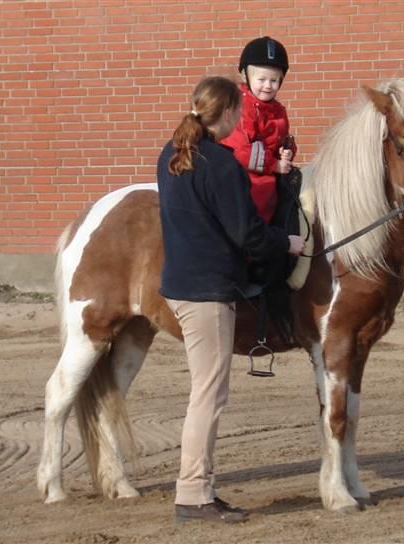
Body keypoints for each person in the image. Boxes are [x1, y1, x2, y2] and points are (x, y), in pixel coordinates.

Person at [157, 76, 304, 524]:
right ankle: (193, 496)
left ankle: (200, 490)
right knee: (208, 394)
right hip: (209, 291)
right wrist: (286, 244)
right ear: (226, 115)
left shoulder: (171, 153)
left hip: (181, 284)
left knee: (207, 391)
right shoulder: (220, 164)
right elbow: (248, 235)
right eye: (237, 112)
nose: (241, 119)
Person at [221, 36, 297, 224]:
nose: (268, 86)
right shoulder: (241, 107)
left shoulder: (278, 110)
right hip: (244, 179)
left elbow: (281, 140)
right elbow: (242, 150)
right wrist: (275, 165)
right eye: (261, 79)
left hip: (269, 178)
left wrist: (287, 151)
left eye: (274, 80)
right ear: (246, 76)